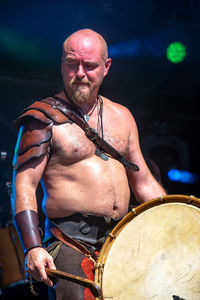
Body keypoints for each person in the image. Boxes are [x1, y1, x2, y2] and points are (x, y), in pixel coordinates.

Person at [11, 28, 166, 300]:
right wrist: (32, 247)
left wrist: (180, 222)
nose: (80, 73)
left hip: (123, 239)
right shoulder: (41, 118)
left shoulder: (123, 116)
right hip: (70, 243)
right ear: (62, 65)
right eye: (72, 64)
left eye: (89, 65)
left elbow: (144, 184)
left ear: (106, 67)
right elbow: (24, 185)